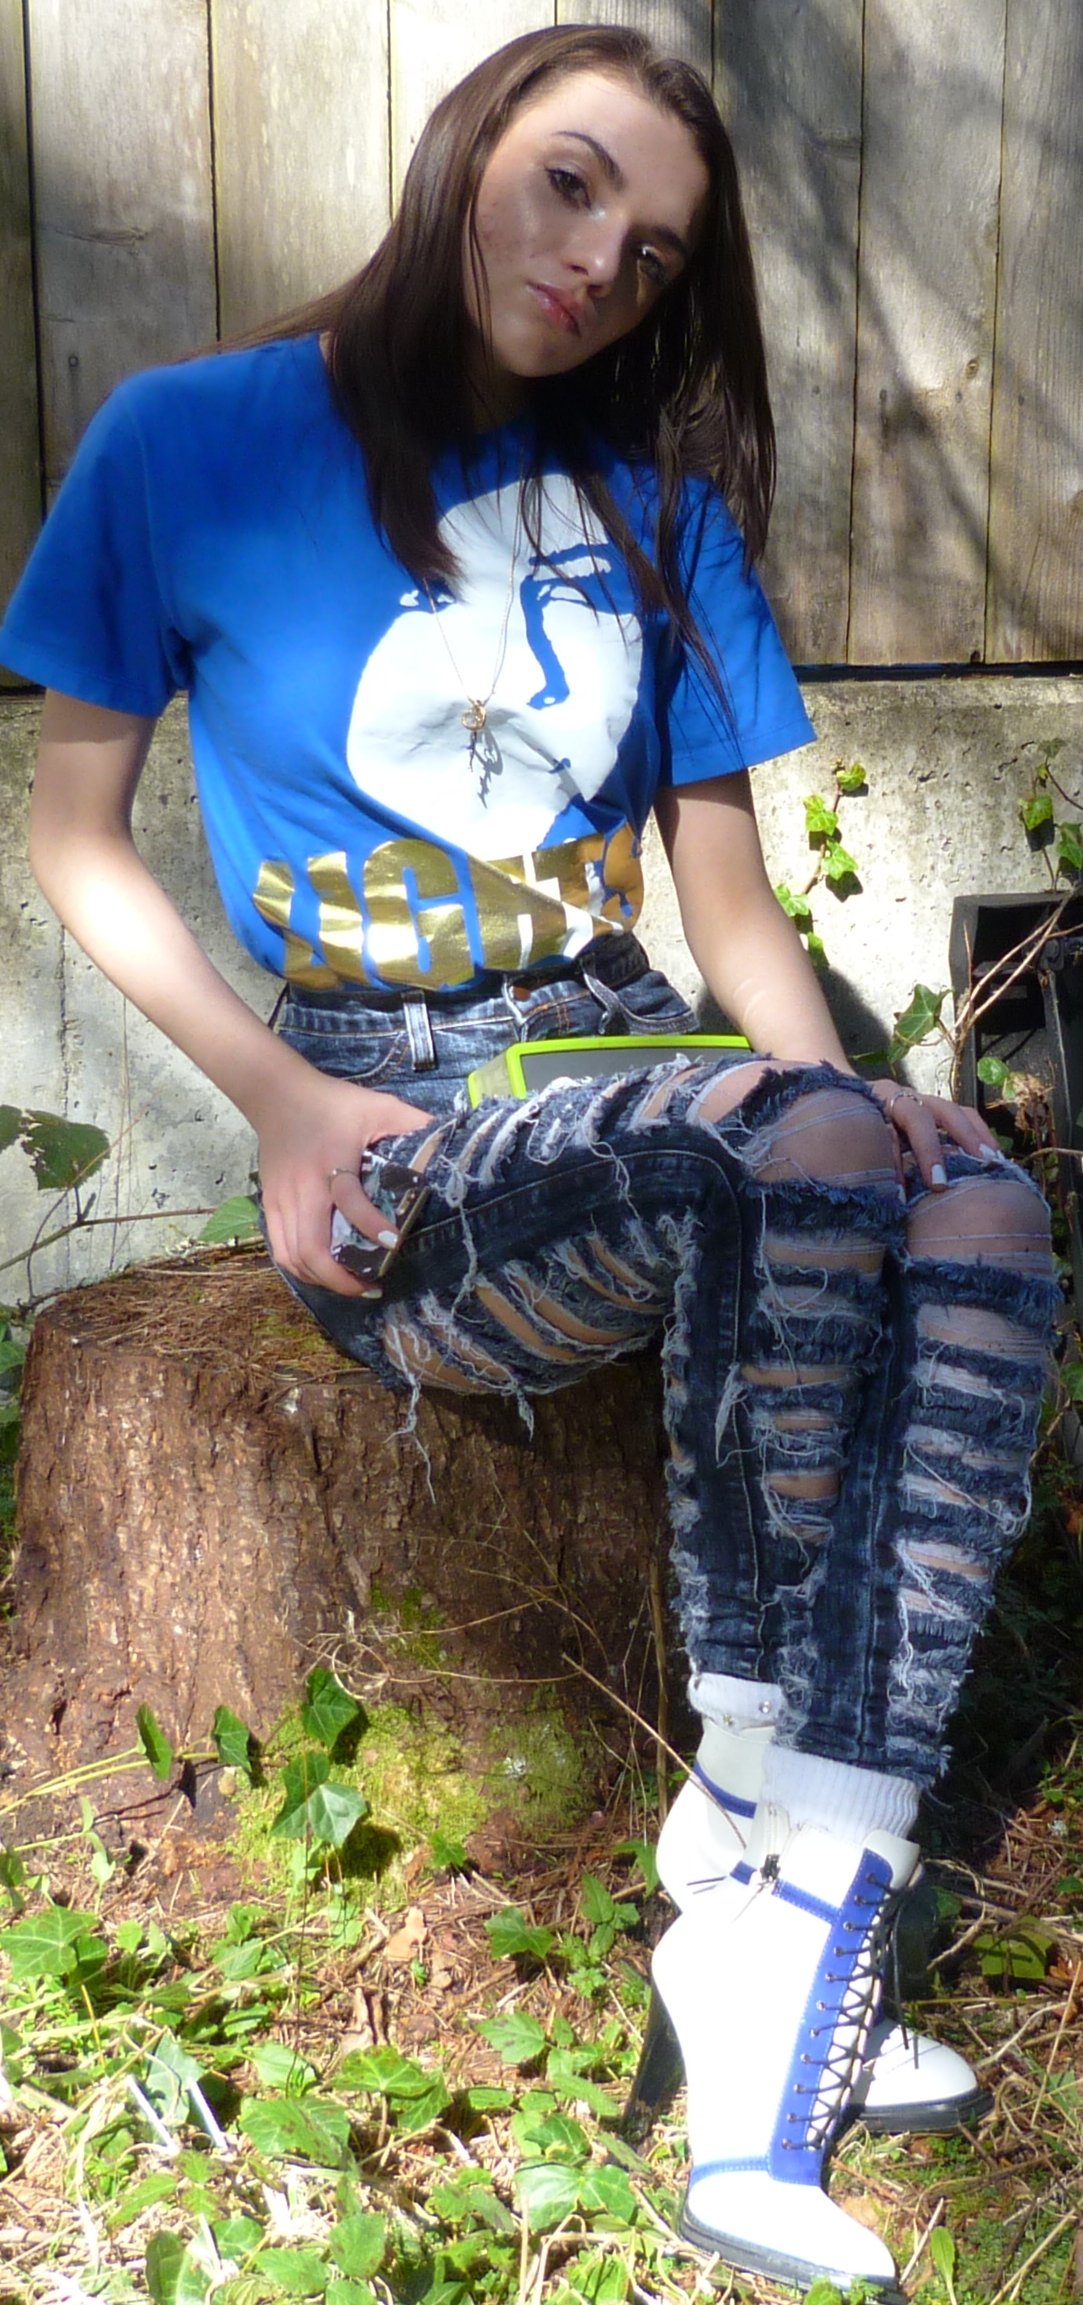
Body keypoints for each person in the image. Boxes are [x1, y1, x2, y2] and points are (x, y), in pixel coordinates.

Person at [0, 26, 1057, 2295]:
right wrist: (272, 1100)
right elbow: (74, 827)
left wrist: (862, 1089)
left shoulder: (657, 503)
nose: (598, 262)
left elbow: (726, 905)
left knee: (975, 1198)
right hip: (393, 1110)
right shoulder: (186, 438)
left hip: (633, 1059)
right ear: (470, 146)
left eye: (652, 248)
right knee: (793, 1144)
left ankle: (787, 1872)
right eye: (571, 184)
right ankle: (768, 1922)